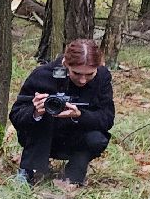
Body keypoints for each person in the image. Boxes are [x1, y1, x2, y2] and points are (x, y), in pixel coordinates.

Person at [9, 38, 115, 188]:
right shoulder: (43, 75)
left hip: (76, 138)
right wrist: (36, 112)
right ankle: (29, 170)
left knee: (97, 138)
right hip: (42, 138)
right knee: (45, 117)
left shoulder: (102, 78)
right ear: (65, 63)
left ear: (99, 66)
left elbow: (107, 118)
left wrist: (80, 115)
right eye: (77, 73)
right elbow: (15, 115)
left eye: (90, 74)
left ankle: (74, 176)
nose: (83, 80)